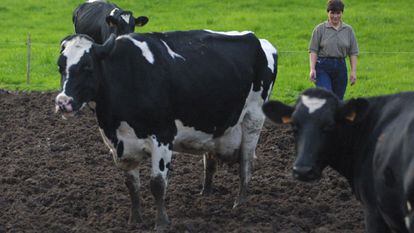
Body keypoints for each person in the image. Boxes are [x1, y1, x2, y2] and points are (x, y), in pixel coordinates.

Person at [308, 0, 359, 100]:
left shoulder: (348, 30)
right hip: (323, 67)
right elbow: (313, 50)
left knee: (338, 100)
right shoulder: (320, 29)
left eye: (338, 13)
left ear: (342, 13)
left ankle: (334, 116)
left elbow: (353, 52)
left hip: (341, 68)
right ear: (328, 13)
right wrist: (312, 69)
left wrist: (353, 72)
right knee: (327, 96)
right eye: (332, 13)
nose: (335, 16)